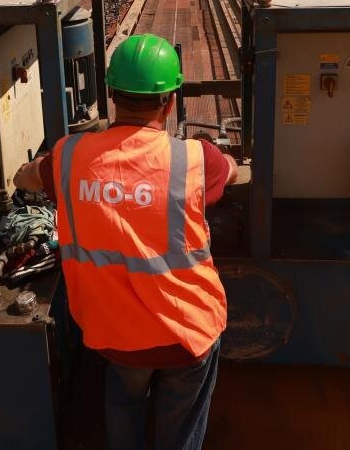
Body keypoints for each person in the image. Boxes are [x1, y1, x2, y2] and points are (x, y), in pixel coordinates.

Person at [14, 33, 238, 450]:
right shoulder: (193, 159)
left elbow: (26, 177)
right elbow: (231, 170)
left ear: (112, 94)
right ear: (170, 101)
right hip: (186, 332)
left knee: (124, 400)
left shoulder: (68, 156)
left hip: (114, 333)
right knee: (180, 425)